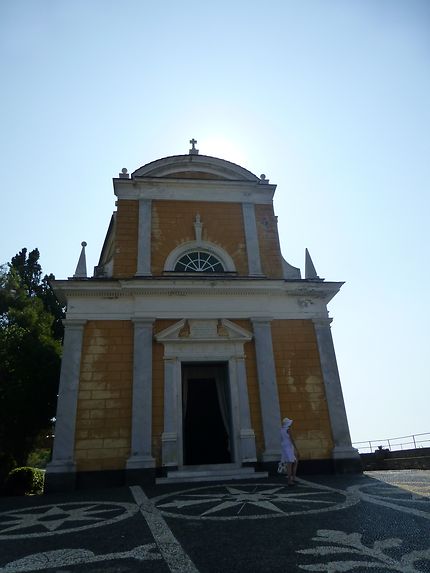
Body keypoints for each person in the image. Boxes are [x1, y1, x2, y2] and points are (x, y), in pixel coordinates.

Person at [280, 417, 299, 485]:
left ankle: (292, 479)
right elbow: (292, 439)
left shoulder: (281, 429)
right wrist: (296, 448)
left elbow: (282, 439)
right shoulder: (288, 429)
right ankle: (290, 480)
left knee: (291, 463)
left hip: (284, 447)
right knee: (290, 464)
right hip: (289, 447)